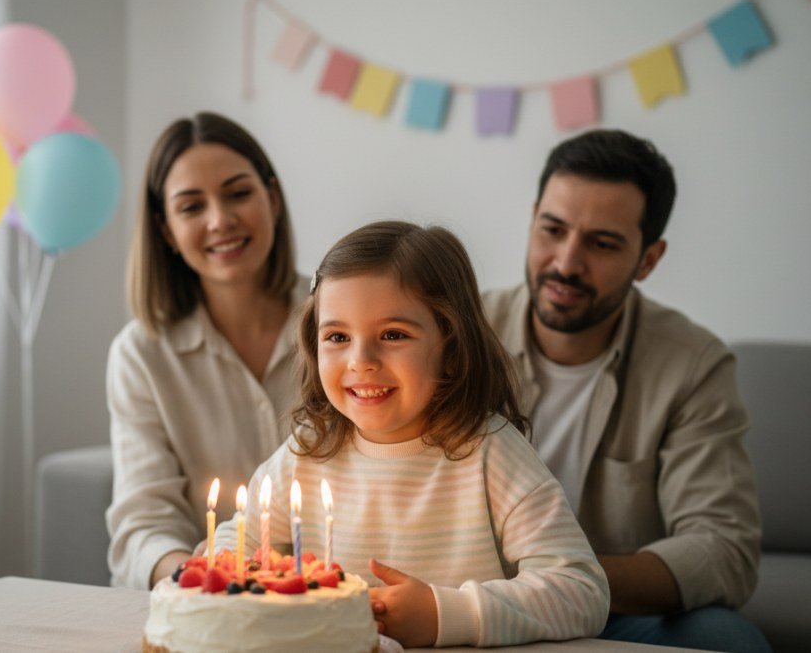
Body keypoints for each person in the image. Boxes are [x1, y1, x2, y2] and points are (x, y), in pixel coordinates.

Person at [214, 221, 610, 648]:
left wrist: (446, 615)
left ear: (452, 348)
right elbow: (238, 544)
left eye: (393, 335)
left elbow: (582, 590)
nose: (360, 360)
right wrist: (217, 566)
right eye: (337, 337)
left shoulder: (490, 454)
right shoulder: (306, 451)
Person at [482, 129, 769, 652]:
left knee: (728, 639)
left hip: (614, 609)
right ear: (532, 220)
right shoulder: (462, 331)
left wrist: (568, 582)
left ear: (648, 259)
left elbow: (723, 547)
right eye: (553, 230)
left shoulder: (693, 364)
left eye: (602, 243)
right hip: (470, 594)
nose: (566, 263)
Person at [105, 112, 308, 589]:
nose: (221, 220)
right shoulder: (141, 355)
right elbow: (142, 524)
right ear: (166, 230)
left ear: (272, 199)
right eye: (192, 207)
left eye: (238, 194)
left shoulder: (342, 328)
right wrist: (195, 575)